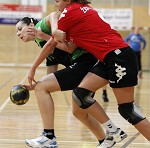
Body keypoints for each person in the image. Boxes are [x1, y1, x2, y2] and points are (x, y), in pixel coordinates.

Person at [26, 0, 150, 146]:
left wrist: (33, 68)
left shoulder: (69, 12)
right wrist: (54, 34)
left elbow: (51, 43)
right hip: (107, 58)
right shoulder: (80, 9)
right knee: (81, 94)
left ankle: (116, 133)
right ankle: (113, 131)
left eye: (58, 1)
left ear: (67, 0)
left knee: (127, 110)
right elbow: (66, 45)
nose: (56, 4)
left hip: (119, 57)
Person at [16, 14, 127, 148]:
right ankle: (105, 140)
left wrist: (52, 32)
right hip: (86, 66)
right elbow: (50, 75)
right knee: (78, 112)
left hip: (85, 61)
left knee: (42, 88)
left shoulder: (41, 27)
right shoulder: (42, 44)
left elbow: (53, 15)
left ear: (31, 26)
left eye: (20, 28)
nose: (18, 33)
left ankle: (48, 136)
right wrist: (31, 87)